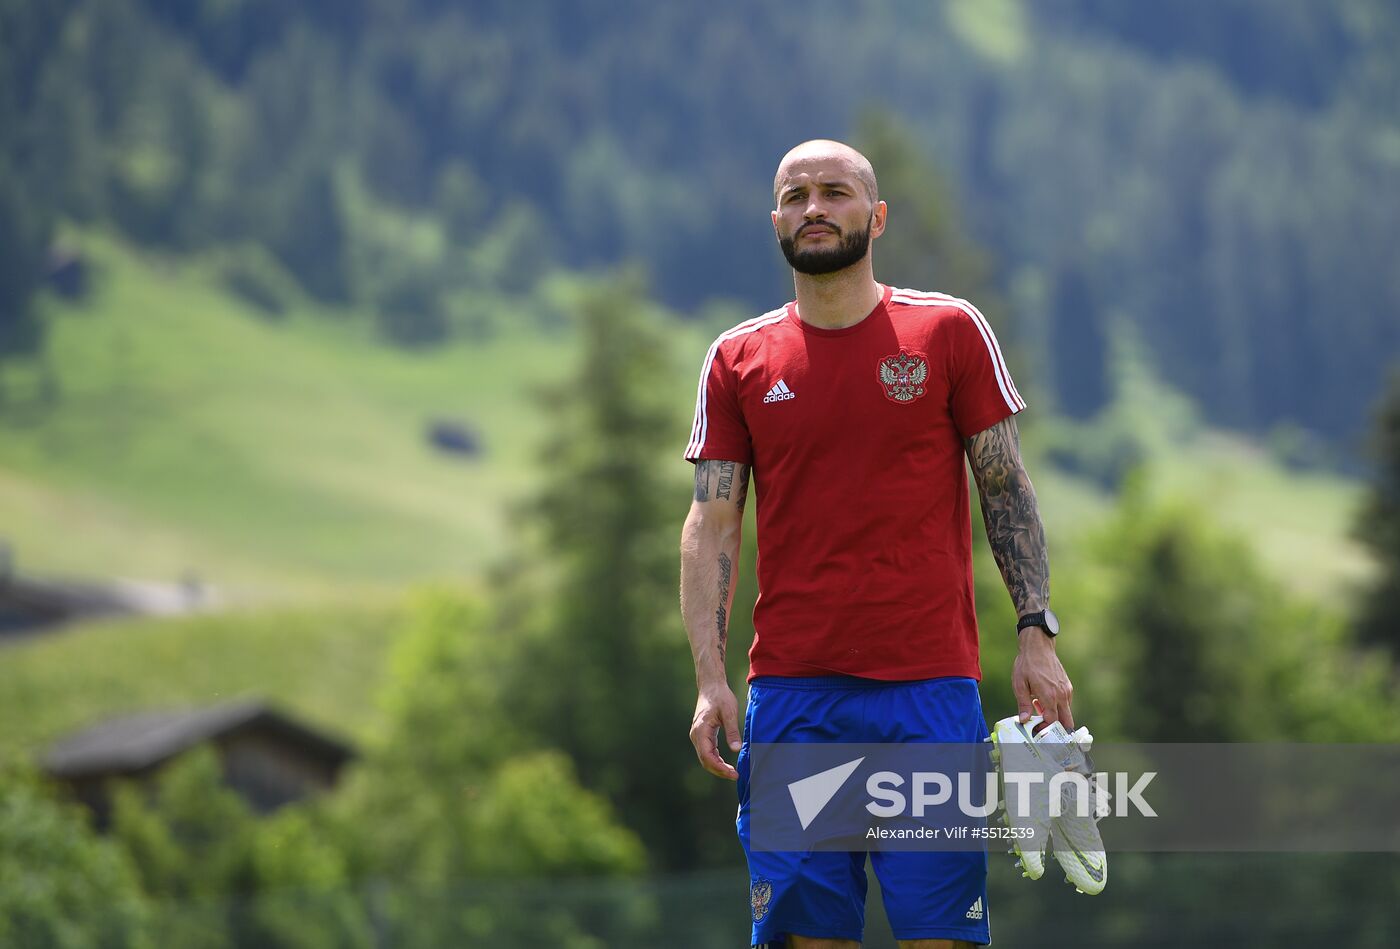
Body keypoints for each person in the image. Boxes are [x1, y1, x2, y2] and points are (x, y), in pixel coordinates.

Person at [679, 139, 1074, 948]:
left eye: (835, 191)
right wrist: (710, 677)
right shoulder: (737, 357)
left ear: (877, 216)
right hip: (793, 699)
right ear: (776, 221)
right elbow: (712, 521)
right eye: (796, 196)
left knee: (939, 936)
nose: (814, 208)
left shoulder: (950, 331)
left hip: (927, 692)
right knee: (806, 937)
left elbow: (1006, 487)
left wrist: (1035, 630)